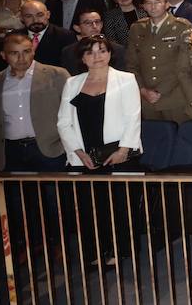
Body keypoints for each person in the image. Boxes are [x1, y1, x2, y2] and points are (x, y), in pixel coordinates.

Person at [56, 35, 142, 267]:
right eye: (90, 52)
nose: (97, 56)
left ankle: (120, 250)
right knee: (89, 206)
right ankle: (94, 252)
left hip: (119, 153)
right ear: (82, 58)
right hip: (83, 156)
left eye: (102, 51)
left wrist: (124, 149)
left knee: (120, 206)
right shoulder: (72, 83)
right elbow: (63, 122)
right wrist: (78, 152)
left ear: (110, 53)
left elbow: (133, 117)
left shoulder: (125, 79)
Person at [0, 33, 69, 170]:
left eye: (26, 51)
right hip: (10, 152)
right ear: (3, 55)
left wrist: (68, 147)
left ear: (33, 51)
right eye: (14, 53)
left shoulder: (57, 75)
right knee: (14, 192)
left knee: (55, 191)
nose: (21, 58)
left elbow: (73, 114)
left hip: (51, 150)